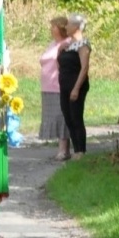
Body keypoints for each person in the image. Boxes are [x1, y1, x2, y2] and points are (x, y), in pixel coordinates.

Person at [58, 13, 92, 157]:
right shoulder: (68, 44)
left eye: (69, 24)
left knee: (76, 117)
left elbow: (84, 68)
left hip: (76, 84)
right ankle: (76, 149)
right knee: (68, 117)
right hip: (64, 84)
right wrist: (60, 51)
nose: (66, 27)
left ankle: (81, 151)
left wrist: (76, 88)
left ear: (77, 27)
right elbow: (59, 66)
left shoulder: (83, 44)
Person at [41, 15, 70, 159]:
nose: (51, 29)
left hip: (59, 85)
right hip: (48, 86)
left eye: (54, 26)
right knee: (54, 117)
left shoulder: (67, 43)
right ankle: (62, 149)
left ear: (61, 28)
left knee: (61, 117)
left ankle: (63, 150)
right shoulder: (52, 44)